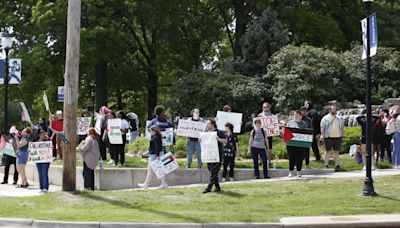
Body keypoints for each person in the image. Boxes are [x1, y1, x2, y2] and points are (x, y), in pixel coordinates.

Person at [138, 124, 169, 189]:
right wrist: (146, 153)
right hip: (154, 155)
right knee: (157, 170)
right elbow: (155, 148)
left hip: (154, 156)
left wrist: (157, 156)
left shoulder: (155, 138)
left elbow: (157, 148)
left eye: (150, 130)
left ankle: (146, 184)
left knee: (151, 170)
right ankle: (163, 183)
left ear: (153, 130)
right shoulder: (157, 137)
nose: (150, 132)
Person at [203, 119, 227, 193]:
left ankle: (209, 188)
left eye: (208, 124)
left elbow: (225, 141)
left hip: (218, 155)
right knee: (212, 172)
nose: (207, 125)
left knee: (214, 172)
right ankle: (217, 187)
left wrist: (218, 139)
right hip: (209, 155)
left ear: (212, 124)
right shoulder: (206, 133)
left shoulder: (219, 132)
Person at [320, 105, 344, 172]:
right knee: (327, 151)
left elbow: (341, 127)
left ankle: (337, 165)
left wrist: (342, 134)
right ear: (330, 110)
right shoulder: (325, 118)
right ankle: (326, 165)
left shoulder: (339, 118)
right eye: (333, 109)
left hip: (337, 137)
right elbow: (322, 127)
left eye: (335, 109)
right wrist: (322, 135)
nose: (335, 111)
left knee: (336, 151)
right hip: (328, 137)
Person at [286, 111, 308, 178]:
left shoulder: (303, 124)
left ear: (300, 116)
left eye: (297, 114)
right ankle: (291, 172)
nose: (296, 116)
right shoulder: (290, 123)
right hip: (291, 144)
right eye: (295, 114)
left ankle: (299, 172)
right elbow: (286, 132)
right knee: (291, 157)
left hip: (300, 144)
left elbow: (306, 133)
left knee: (299, 158)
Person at [258, 102, 274, 167]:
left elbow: (274, 125)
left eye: (266, 107)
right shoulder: (260, 115)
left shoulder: (272, 116)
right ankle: (260, 161)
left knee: (269, 148)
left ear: (269, 108)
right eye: (264, 107)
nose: (265, 108)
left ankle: (269, 161)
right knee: (260, 147)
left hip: (269, 134)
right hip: (261, 134)